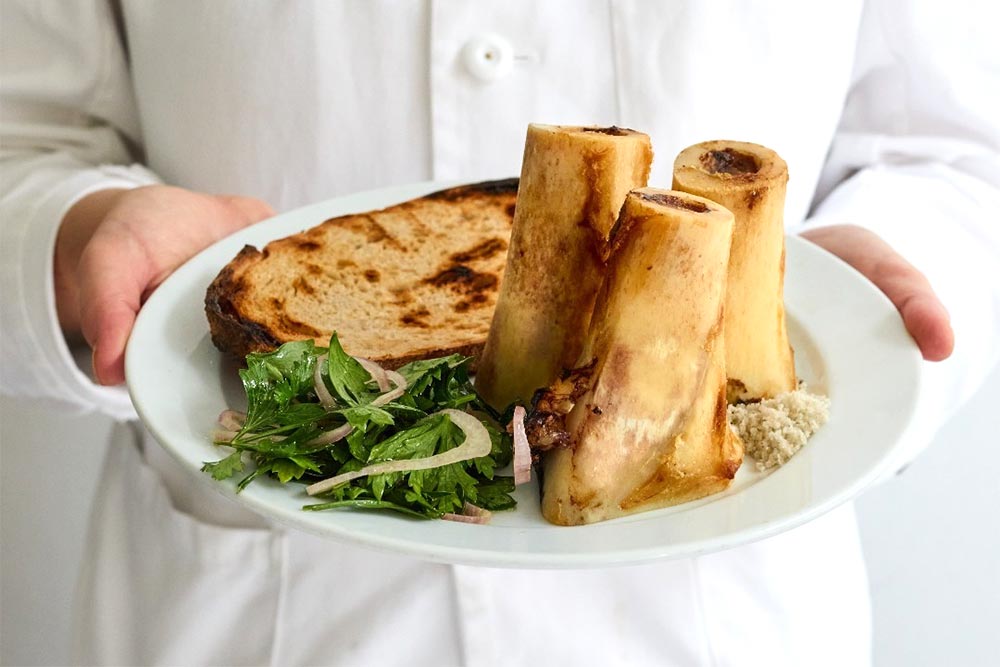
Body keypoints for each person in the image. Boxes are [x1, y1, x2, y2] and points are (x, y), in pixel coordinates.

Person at [2, 1, 998, 665]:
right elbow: (26, 134)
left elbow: (950, 146)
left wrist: (889, 281)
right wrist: (70, 240)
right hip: (254, 617)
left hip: (722, 613)